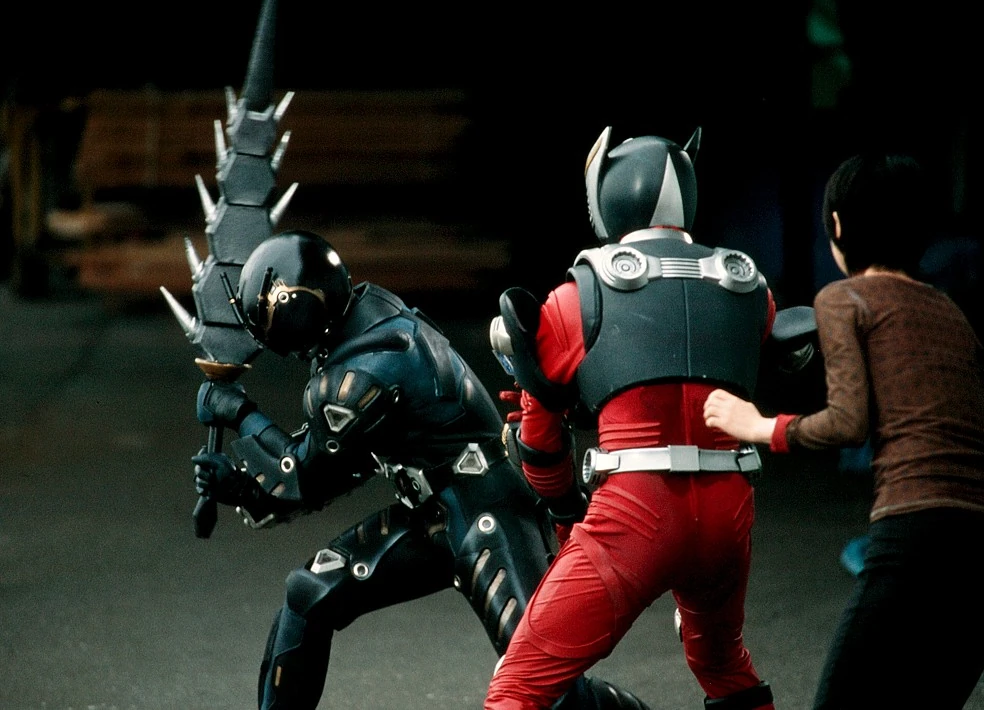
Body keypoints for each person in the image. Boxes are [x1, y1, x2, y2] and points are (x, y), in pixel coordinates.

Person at [191, 229, 654, 710]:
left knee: (544, 686)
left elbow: (303, 475)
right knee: (310, 593)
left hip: (489, 513)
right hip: (433, 512)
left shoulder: (366, 368)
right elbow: (337, 468)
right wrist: (241, 486)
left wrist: (238, 413)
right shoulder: (364, 318)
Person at [483, 127, 778, 709]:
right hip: (728, 508)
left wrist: (565, 508)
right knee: (723, 664)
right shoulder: (748, 286)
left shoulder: (581, 293)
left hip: (636, 511)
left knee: (518, 685)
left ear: (610, 195)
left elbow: (540, 442)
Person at [703, 152, 984, 709]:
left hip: (914, 529)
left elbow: (847, 422)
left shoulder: (844, 298)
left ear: (837, 226)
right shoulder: (950, 311)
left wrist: (759, 425)